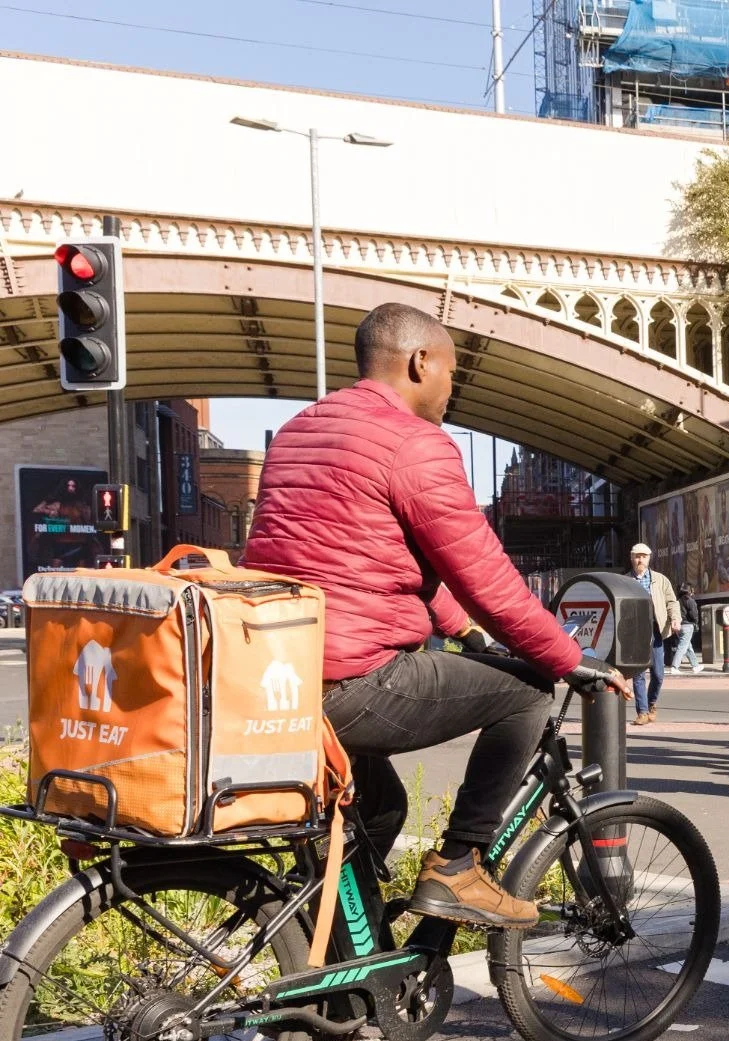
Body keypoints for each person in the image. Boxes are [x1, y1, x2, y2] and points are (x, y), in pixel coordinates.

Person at [243, 302, 624, 930]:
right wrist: (567, 657)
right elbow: (485, 576)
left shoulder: (300, 430)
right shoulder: (415, 444)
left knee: (380, 808)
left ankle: (344, 976)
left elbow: (393, 561)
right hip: (351, 679)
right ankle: (458, 867)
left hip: (279, 677)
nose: (453, 390)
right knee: (527, 691)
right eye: (450, 373)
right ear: (421, 362)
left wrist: (465, 632)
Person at [627, 541, 683, 725]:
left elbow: (672, 602)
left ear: (649, 558)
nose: (640, 559)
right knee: (638, 673)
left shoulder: (660, 579)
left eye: (643, 556)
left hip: (656, 630)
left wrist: (675, 618)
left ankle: (651, 703)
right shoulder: (625, 581)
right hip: (636, 633)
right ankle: (642, 712)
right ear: (632, 558)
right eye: (637, 556)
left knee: (658, 674)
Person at [674, 584, 704, 673]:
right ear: (689, 591)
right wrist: (696, 621)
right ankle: (674, 666)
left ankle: (695, 666)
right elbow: (694, 614)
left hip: (679, 626)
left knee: (688, 647)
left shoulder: (678, 601)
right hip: (687, 626)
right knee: (683, 647)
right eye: (692, 590)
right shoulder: (690, 601)